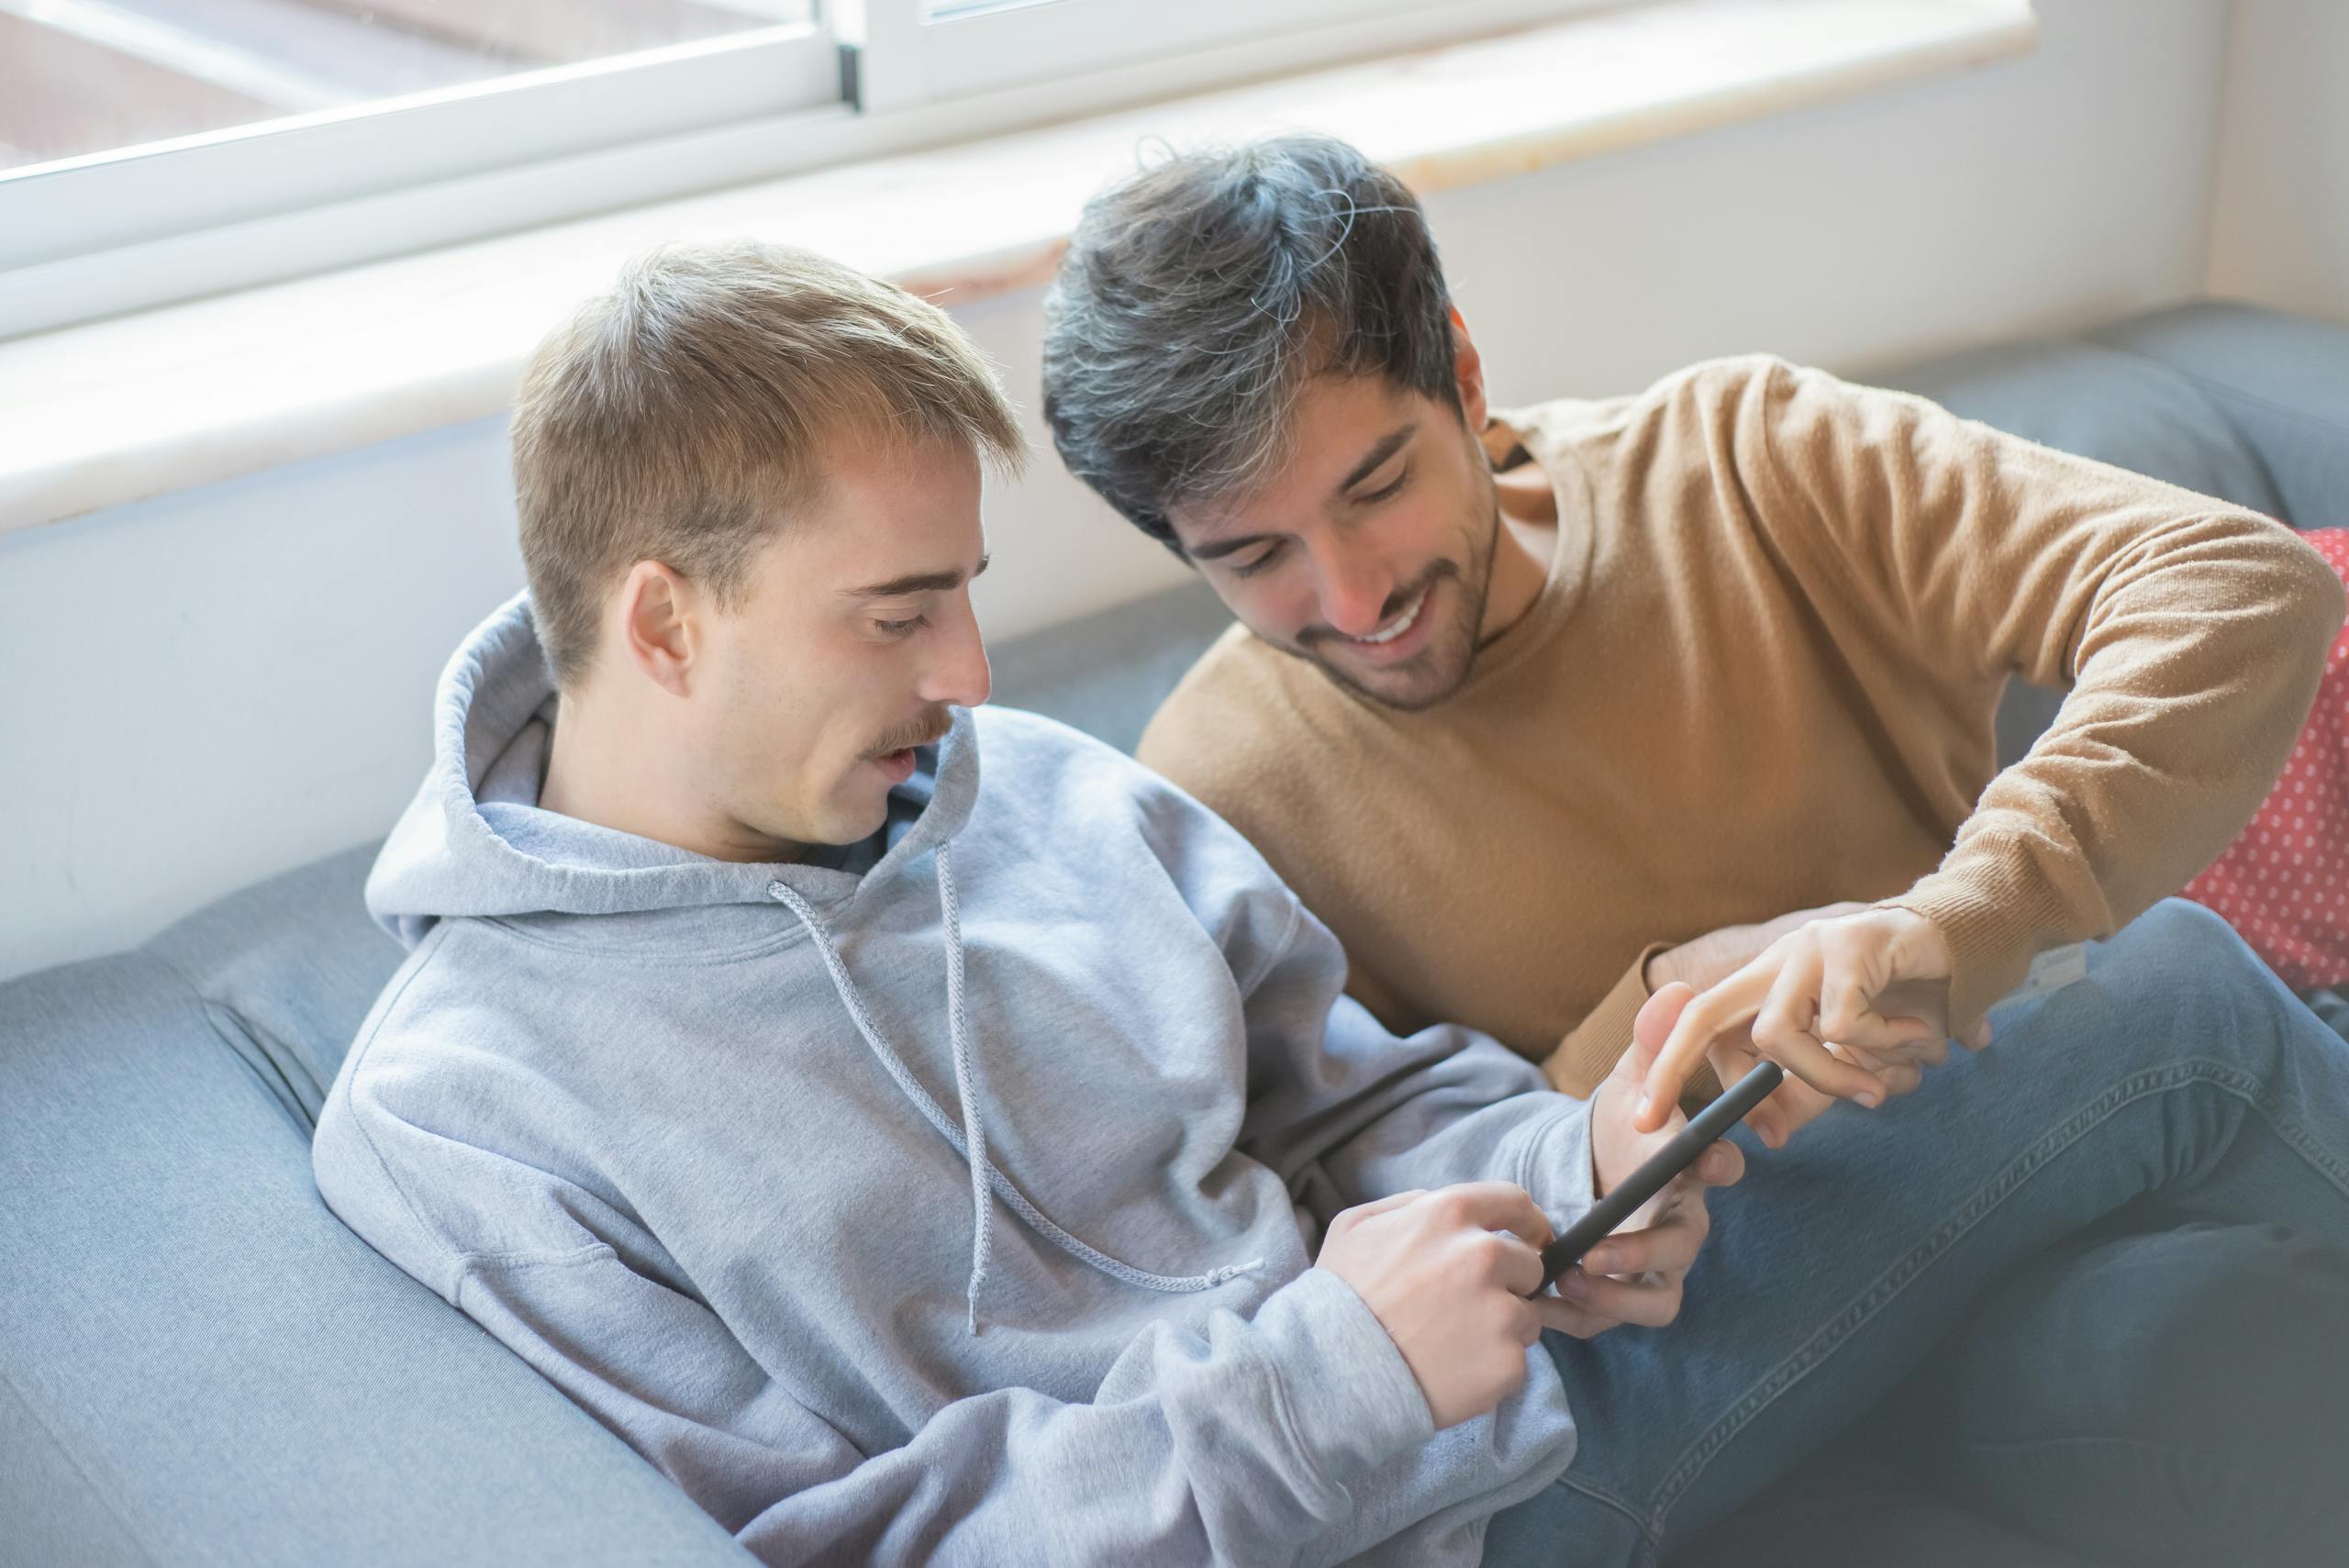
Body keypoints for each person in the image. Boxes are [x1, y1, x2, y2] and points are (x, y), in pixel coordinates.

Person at [314, 240, 2349, 1568]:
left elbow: (1367, 1108)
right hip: (1381, 1519)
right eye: (895, 611)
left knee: (2139, 1001)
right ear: (662, 624)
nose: (968, 678)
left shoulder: (1037, 803)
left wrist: (1580, 1161)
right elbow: (824, 1543)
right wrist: (1330, 1387)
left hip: (1513, 1402)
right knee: (2159, 1014)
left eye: (963, 597)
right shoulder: (467, 1110)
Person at [1037, 133, 2349, 1561]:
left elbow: (2236, 588)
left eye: (1374, 485)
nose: (1352, 596)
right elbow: (1337, 1209)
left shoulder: (1745, 459)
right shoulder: (1209, 792)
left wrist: (1951, 923)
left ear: (1463, 376)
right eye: (1254, 557)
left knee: (2226, 1366)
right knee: (2179, 986)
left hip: (2014, 1173)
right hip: (1701, 1324)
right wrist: (1670, 1025)